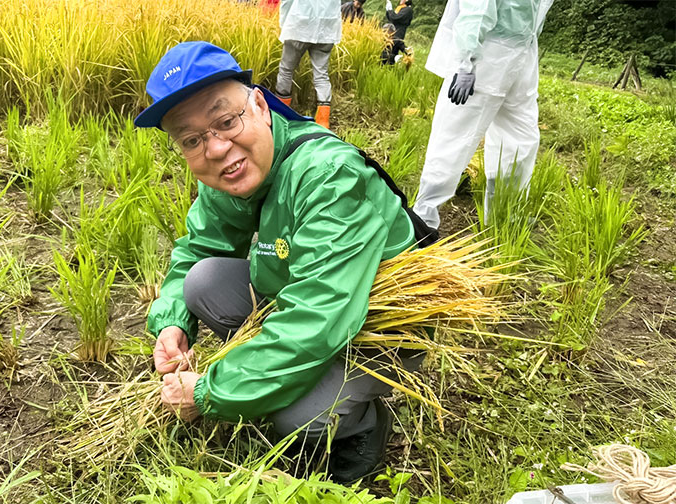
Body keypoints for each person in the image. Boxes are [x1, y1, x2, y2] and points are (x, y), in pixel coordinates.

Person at [134, 41, 427, 483]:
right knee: (201, 280)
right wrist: (172, 323)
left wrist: (211, 392)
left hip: (379, 328)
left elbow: (317, 317)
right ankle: (281, 374)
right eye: (192, 140)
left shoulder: (328, 176)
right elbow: (200, 248)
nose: (216, 148)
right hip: (314, 298)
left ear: (259, 105)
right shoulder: (229, 169)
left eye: (226, 121)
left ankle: (362, 423)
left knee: (296, 416)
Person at [413, 0, 554, 229]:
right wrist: (466, 62)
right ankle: (424, 219)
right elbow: (477, 7)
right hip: (487, 56)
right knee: (454, 139)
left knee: (520, 141)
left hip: (522, 57)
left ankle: (504, 215)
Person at [274, 0, 341, 129]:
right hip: (326, 30)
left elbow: (286, 2)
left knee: (286, 70)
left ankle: (280, 115)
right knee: (321, 75)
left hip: (299, 25)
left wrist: (284, 24)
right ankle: (323, 122)